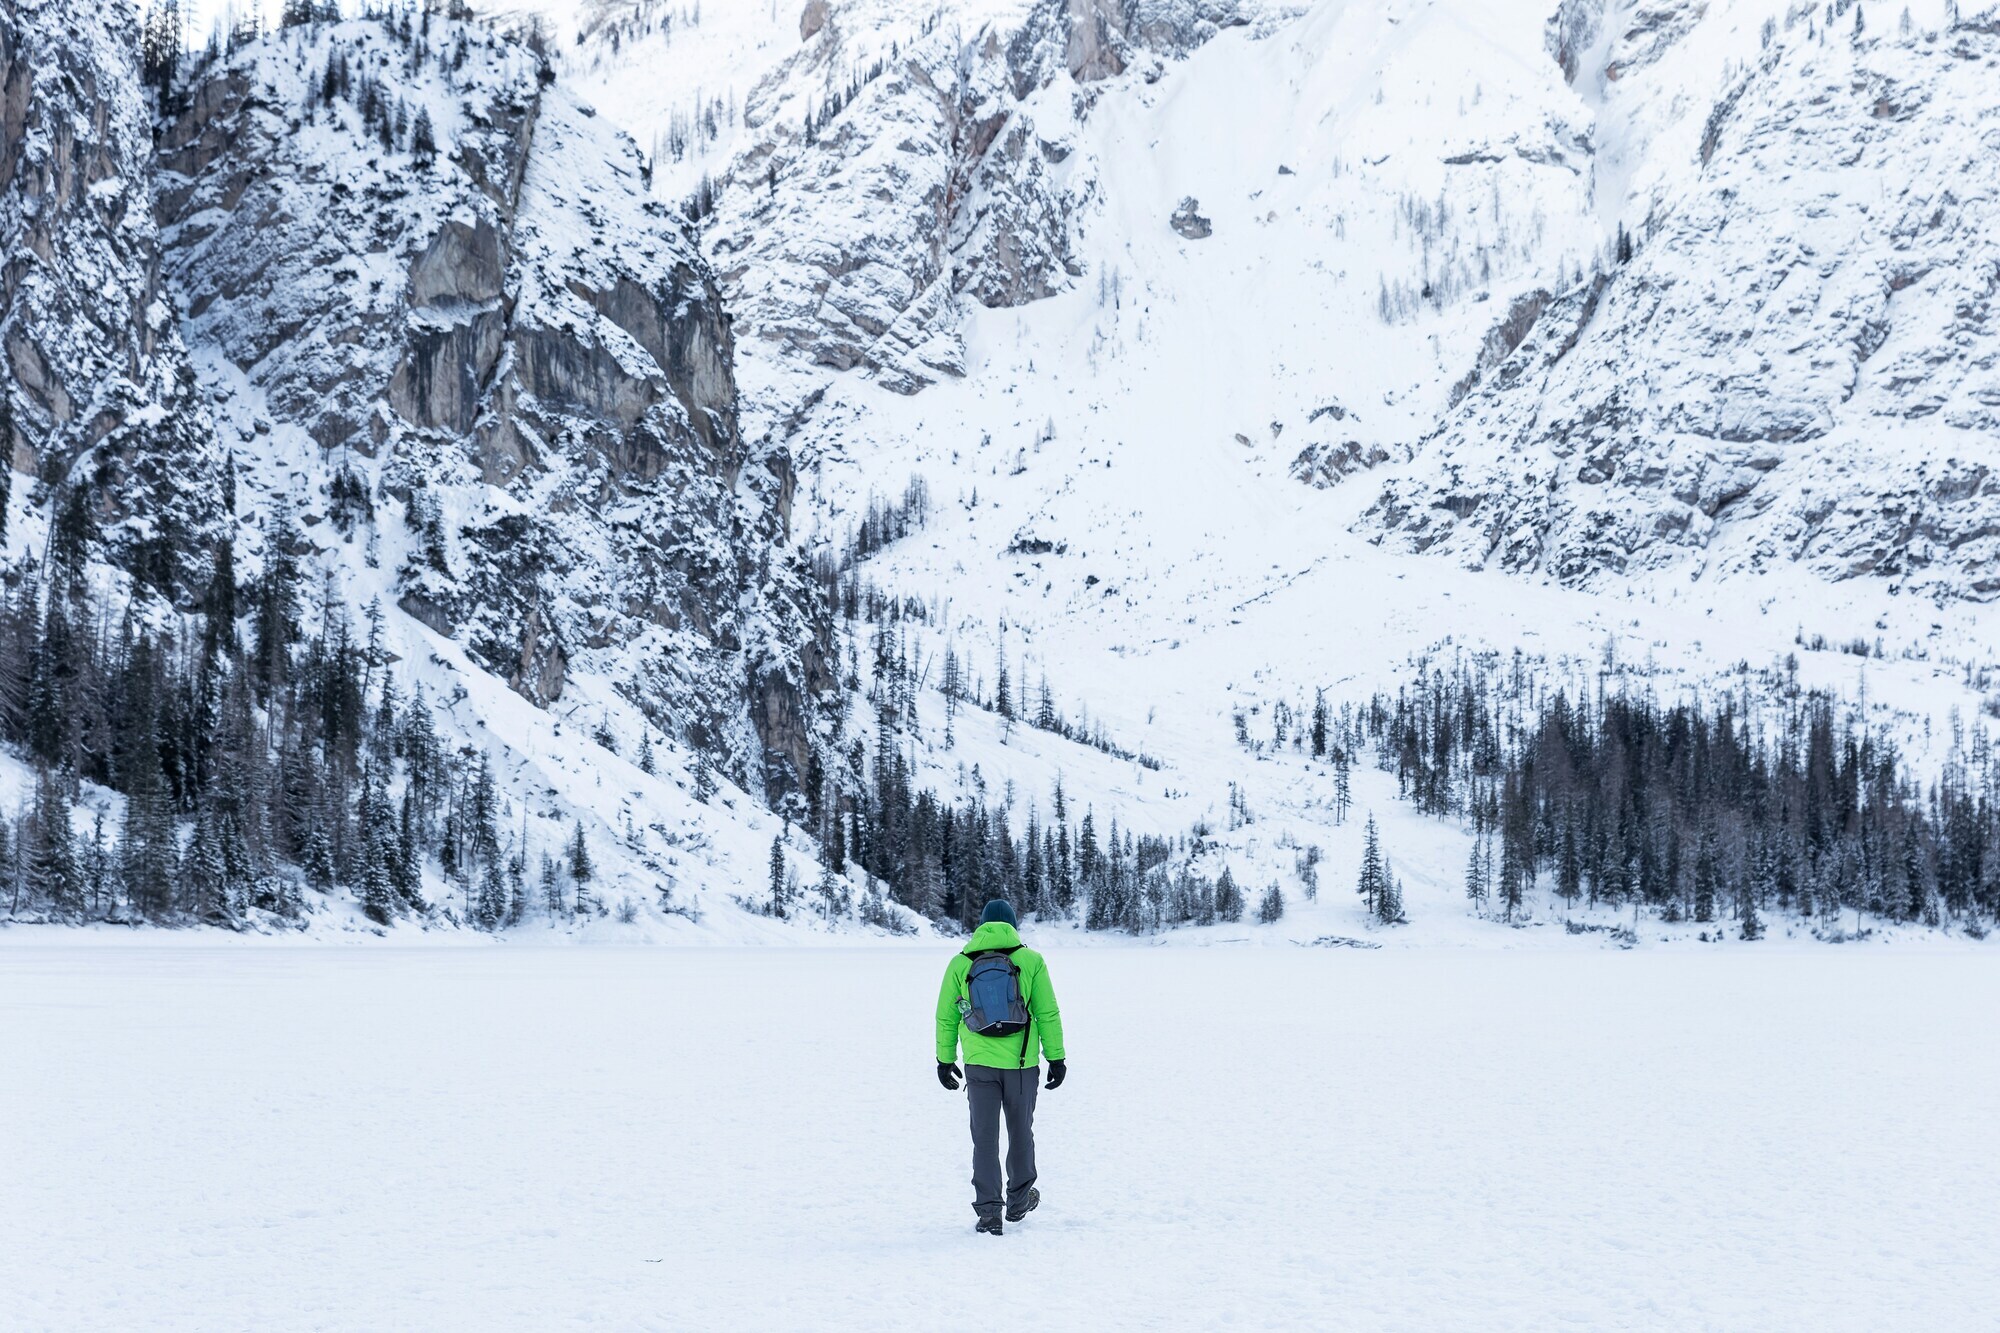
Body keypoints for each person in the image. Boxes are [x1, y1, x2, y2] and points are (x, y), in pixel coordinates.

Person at [935, 899, 1067, 1235]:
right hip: (1022, 1066)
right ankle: (1019, 1200)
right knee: (1021, 1132)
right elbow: (1047, 1012)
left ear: (980, 925)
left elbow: (946, 1017)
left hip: (979, 1065)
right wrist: (1056, 1057)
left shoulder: (960, 963)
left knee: (984, 1137)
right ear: (1012, 925)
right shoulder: (1031, 960)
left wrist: (945, 1059)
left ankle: (989, 1212)